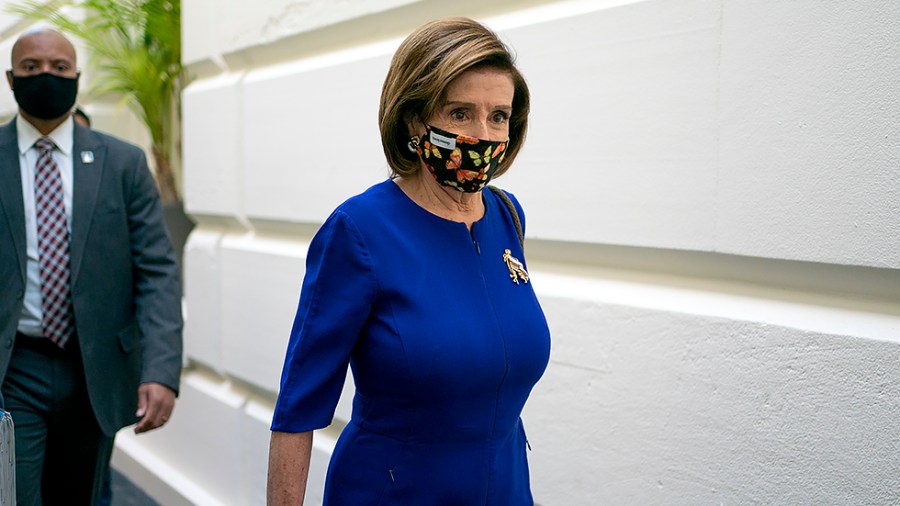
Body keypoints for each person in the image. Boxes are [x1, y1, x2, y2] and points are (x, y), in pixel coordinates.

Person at [267, 17, 551, 505]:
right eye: (460, 113)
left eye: (498, 116)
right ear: (415, 121)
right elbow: (298, 407)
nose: (483, 134)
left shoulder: (507, 216)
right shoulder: (359, 230)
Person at [0, 28, 183, 505]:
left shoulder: (122, 163)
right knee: (14, 493)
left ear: (77, 78)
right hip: (15, 365)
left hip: (96, 365)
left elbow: (157, 270)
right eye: (32, 68)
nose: (46, 76)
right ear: (10, 78)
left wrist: (161, 369)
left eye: (59, 68)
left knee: (83, 494)